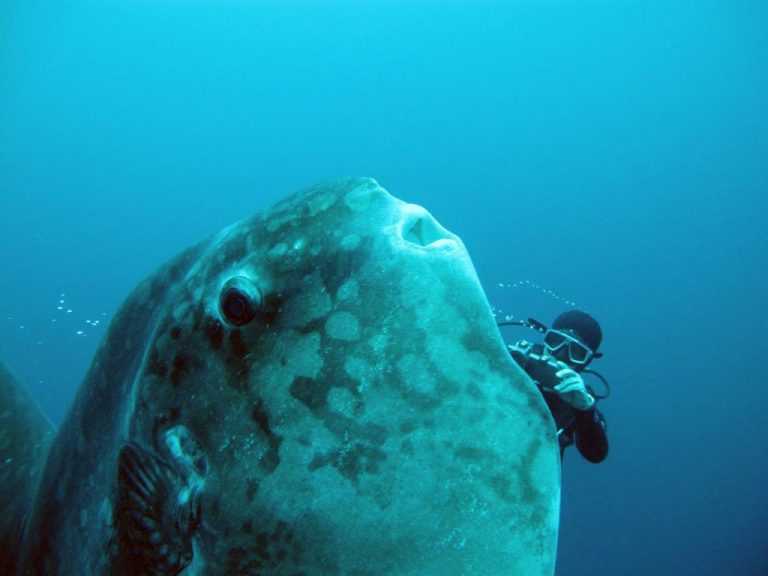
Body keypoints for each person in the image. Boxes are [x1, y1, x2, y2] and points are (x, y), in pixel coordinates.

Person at [506, 310, 609, 463]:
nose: (560, 355)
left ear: (586, 362)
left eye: (576, 352)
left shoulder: (580, 401)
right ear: (545, 338)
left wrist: (584, 411)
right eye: (555, 341)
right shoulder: (510, 359)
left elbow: (596, 454)